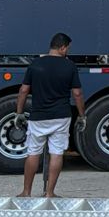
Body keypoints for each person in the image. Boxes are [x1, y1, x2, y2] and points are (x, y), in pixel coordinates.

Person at [16, 32, 84, 198]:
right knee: (56, 153)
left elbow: (23, 90)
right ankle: (50, 193)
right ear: (62, 48)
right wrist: (82, 115)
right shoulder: (70, 66)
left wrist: (19, 113)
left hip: (38, 116)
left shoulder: (36, 64)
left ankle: (26, 192)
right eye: (68, 48)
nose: (68, 51)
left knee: (33, 152)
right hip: (61, 116)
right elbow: (77, 94)